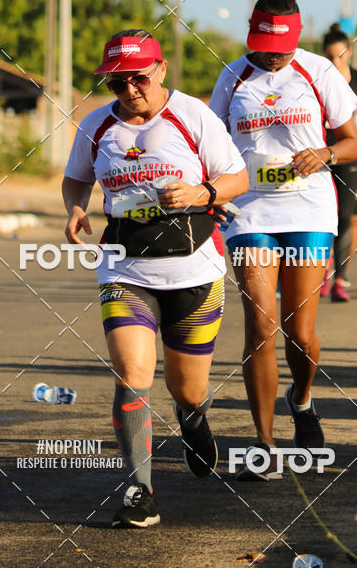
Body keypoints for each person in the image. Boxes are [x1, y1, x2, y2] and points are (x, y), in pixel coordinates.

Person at [62, 30, 247, 527]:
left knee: (187, 389)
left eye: (138, 78)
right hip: (125, 267)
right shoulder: (97, 125)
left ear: (161, 70)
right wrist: (77, 209)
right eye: (118, 82)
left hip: (194, 270)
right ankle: (140, 489)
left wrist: (203, 192)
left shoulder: (193, 116)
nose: (129, 90)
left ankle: (193, 419)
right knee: (132, 375)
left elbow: (238, 178)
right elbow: (76, 176)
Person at [209, 0, 357, 478]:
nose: (274, 57)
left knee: (300, 331)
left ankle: (302, 399)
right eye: (265, 47)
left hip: (310, 211)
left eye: (281, 48)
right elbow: (208, 140)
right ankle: (263, 445)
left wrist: (327, 154)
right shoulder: (232, 77)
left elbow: (356, 141)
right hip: (249, 211)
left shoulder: (320, 73)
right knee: (260, 327)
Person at [321, 23, 357, 302]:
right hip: (322, 152)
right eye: (328, 57)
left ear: (348, 53)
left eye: (339, 56)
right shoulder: (319, 79)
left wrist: (356, 103)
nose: (334, 61)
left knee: (345, 217)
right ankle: (324, 272)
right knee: (323, 216)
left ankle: (341, 279)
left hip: (351, 153)